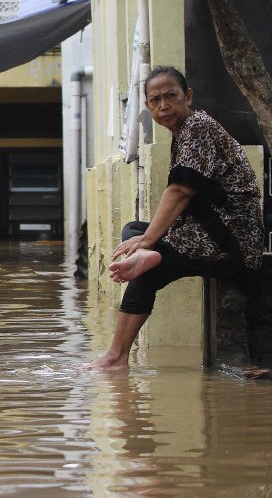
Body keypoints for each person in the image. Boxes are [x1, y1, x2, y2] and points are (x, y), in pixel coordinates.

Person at [88, 66, 264, 371]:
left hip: (232, 238)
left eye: (171, 96)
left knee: (146, 262)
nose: (163, 105)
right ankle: (147, 256)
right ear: (148, 107)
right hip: (211, 227)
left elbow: (181, 190)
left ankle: (116, 357)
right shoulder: (185, 132)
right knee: (134, 231)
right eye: (155, 100)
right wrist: (144, 239)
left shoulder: (197, 127)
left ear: (188, 96)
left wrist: (149, 241)